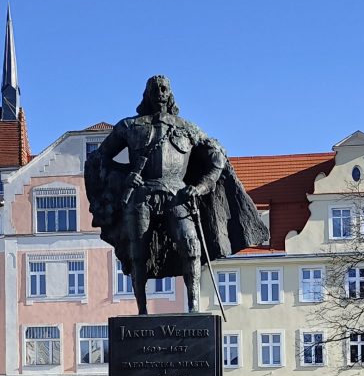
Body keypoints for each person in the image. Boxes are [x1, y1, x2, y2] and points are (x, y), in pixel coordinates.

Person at [85, 75, 268, 313]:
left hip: (177, 195)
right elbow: (99, 159)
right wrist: (123, 178)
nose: (160, 93)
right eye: (155, 89)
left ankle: (194, 308)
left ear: (170, 94)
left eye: (164, 89)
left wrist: (200, 187)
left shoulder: (187, 128)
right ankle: (142, 311)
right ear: (147, 94)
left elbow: (217, 158)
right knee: (137, 253)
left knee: (191, 245)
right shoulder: (129, 126)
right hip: (141, 195)